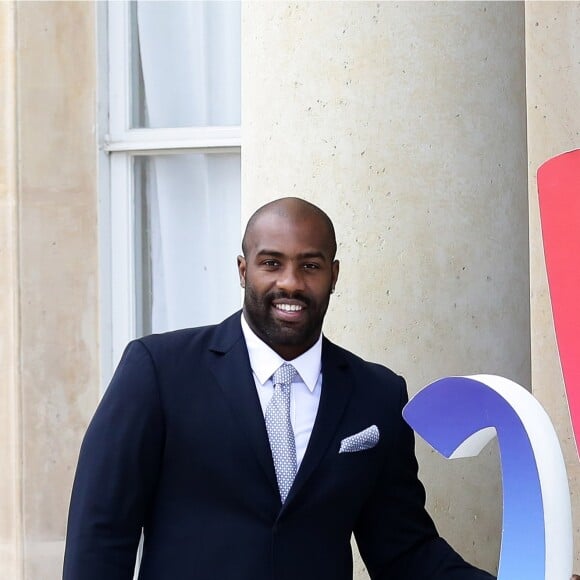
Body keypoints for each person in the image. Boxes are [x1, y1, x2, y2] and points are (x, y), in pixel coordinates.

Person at [64, 197, 502, 578]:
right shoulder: (158, 371)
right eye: (271, 263)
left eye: (309, 265)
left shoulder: (377, 395)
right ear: (242, 270)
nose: (290, 282)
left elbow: (406, 553)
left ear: (333, 275)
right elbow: (100, 535)